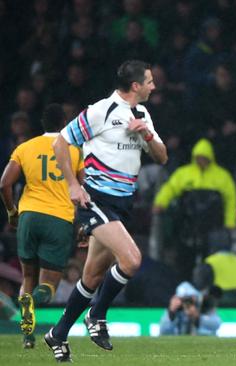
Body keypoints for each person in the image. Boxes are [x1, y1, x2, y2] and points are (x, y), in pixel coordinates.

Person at [45, 60, 168, 362]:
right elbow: (61, 143)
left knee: (91, 276)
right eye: (149, 81)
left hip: (123, 204)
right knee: (132, 259)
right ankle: (96, 316)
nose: (154, 86)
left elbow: (163, 157)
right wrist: (73, 185)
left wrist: (147, 135)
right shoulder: (102, 110)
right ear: (136, 85)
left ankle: (57, 334)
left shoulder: (142, 114)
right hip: (96, 200)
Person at [0, 104, 84, 349]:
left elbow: (4, 184)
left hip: (28, 217)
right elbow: (82, 190)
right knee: (48, 286)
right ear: (66, 124)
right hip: (58, 220)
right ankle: (30, 302)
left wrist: (12, 213)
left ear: (42, 124)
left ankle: (27, 336)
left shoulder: (25, 148)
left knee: (28, 277)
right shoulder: (74, 151)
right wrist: (84, 223)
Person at [152, 138, 236, 278]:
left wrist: (230, 222)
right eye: (199, 158)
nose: (201, 160)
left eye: (204, 158)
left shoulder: (222, 176)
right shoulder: (184, 173)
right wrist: (160, 203)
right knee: (185, 259)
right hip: (188, 226)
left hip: (212, 226)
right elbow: (170, 188)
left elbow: (231, 199)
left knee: (211, 260)